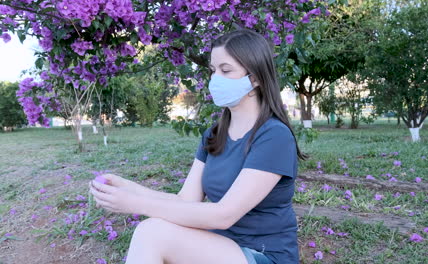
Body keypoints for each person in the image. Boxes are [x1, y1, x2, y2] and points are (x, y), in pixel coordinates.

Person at [89, 29, 307, 264]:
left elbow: (224, 215)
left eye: (226, 70)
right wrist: (128, 188)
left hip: (263, 255)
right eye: (213, 70)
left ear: (254, 78)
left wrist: (135, 204)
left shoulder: (274, 136)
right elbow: (186, 200)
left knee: (152, 233)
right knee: (153, 231)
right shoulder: (214, 134)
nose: (215, 79)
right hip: (220, 247)